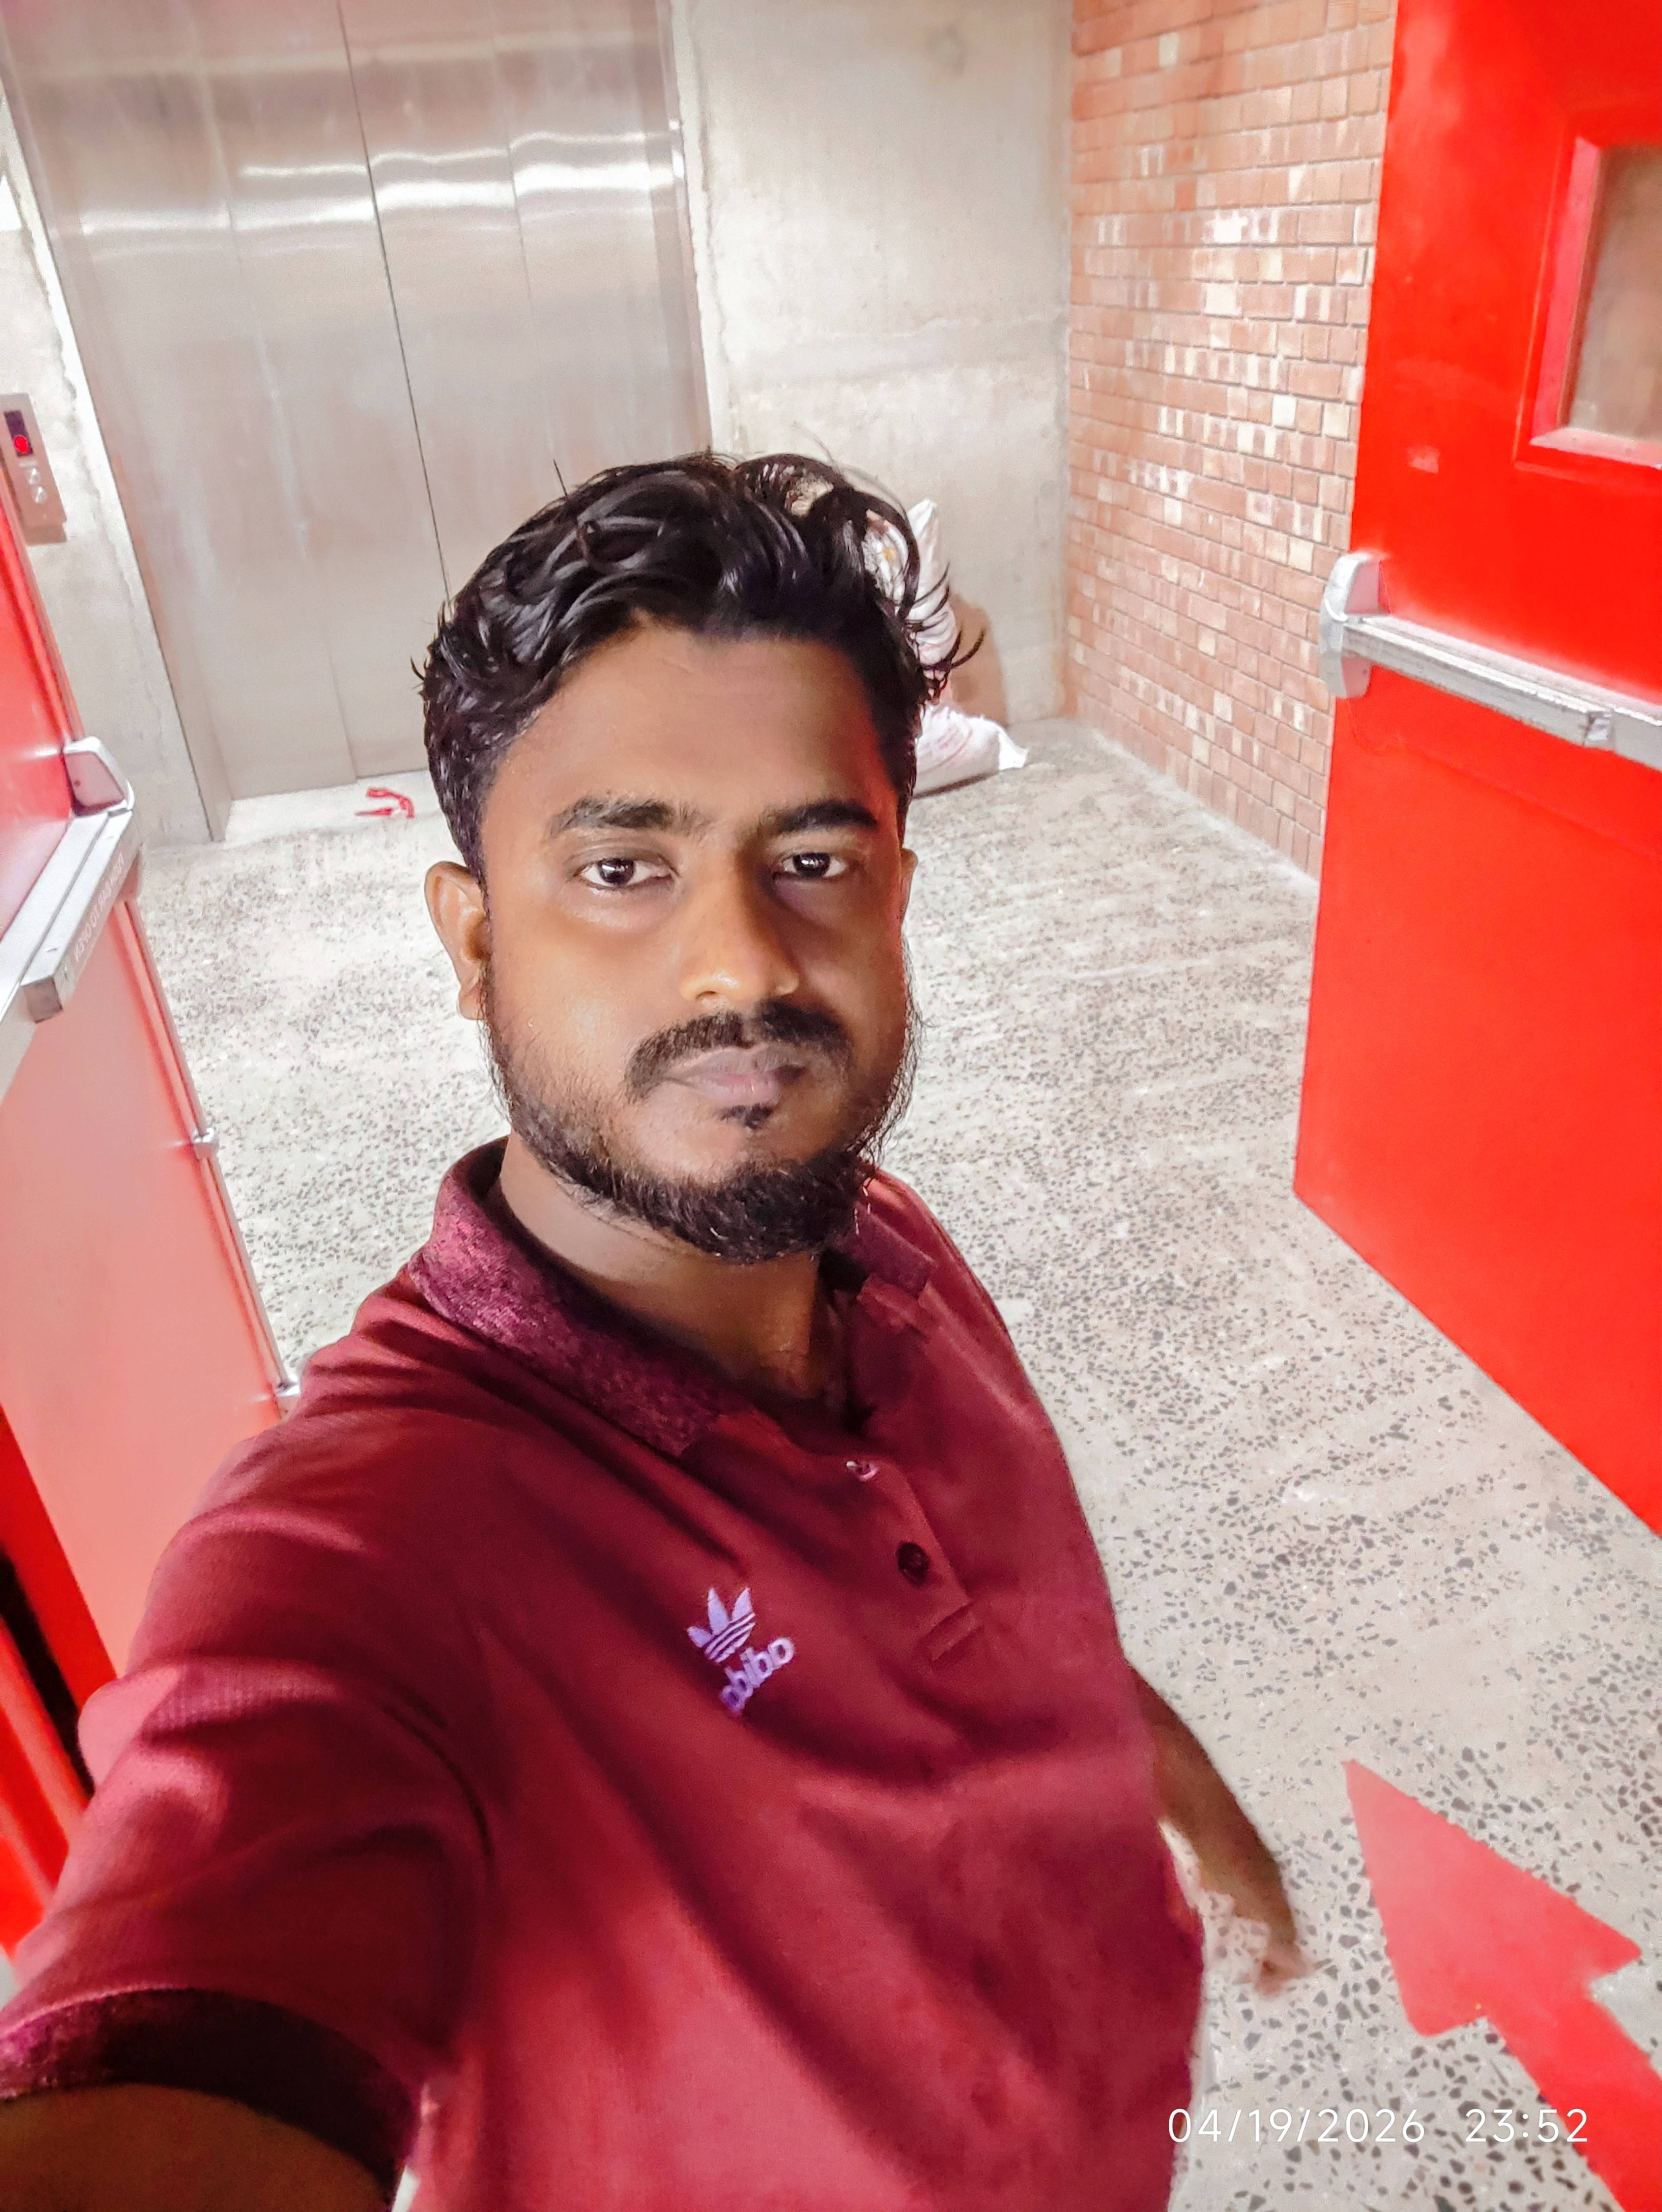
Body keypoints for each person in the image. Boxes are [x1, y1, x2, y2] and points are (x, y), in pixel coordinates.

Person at [0, 455, 1305, 2211]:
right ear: (474, 942)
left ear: (899, 894)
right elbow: (191, 2002)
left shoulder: (885, 1247)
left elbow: (986, 1624)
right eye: (623, 866)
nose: (740, 967)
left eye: (814, 857)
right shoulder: (374, 1557)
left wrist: (1146, 1758)